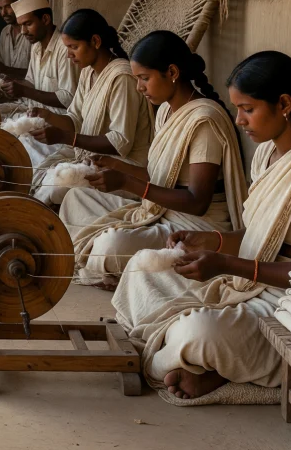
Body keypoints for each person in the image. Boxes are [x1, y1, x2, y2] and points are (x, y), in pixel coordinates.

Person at [113, 51, 291, 402]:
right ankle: (194, 362)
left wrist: (225, 264)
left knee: (198, 331)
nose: (238, 120)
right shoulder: (269, 153)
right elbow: (261, 238)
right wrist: (213, 240)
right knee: (142, 269)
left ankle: (209, 365)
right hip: (249, 282)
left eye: (248, 109)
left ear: (283, 103)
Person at [60, 30, 248, 287]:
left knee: (110, 246)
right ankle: (121, 271)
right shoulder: (165, 113)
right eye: (138, 79)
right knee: (77, 197)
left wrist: (127, 184)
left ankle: (122, 272)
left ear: (172, 73)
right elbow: (159, 177)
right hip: (160, 211)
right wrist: (117, 168)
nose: (139, 87)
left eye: (145, 78)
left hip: (193, 224)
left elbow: (197, 202)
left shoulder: (204, 120)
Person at [26, 8, 154, 205]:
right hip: (93, 159)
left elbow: (120, 142)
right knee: (42, 171)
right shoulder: (88, 73)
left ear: (95, 41)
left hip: (124, 168)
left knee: (57, 187)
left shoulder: (122, 77)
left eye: (74, 47)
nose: (69, 55)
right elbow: (74, 119)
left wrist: (66, 138)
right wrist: (47, 116)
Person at [0, 0, 79, 116]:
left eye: (28, 24)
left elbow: (68, 98)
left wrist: (24, 91)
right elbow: (31, 82)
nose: (23, 31)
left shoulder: (64, 49)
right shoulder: (36, 46)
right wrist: (9, 86)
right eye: (21, 25)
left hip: (57, 120)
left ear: (45, 19)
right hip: (34, 111)